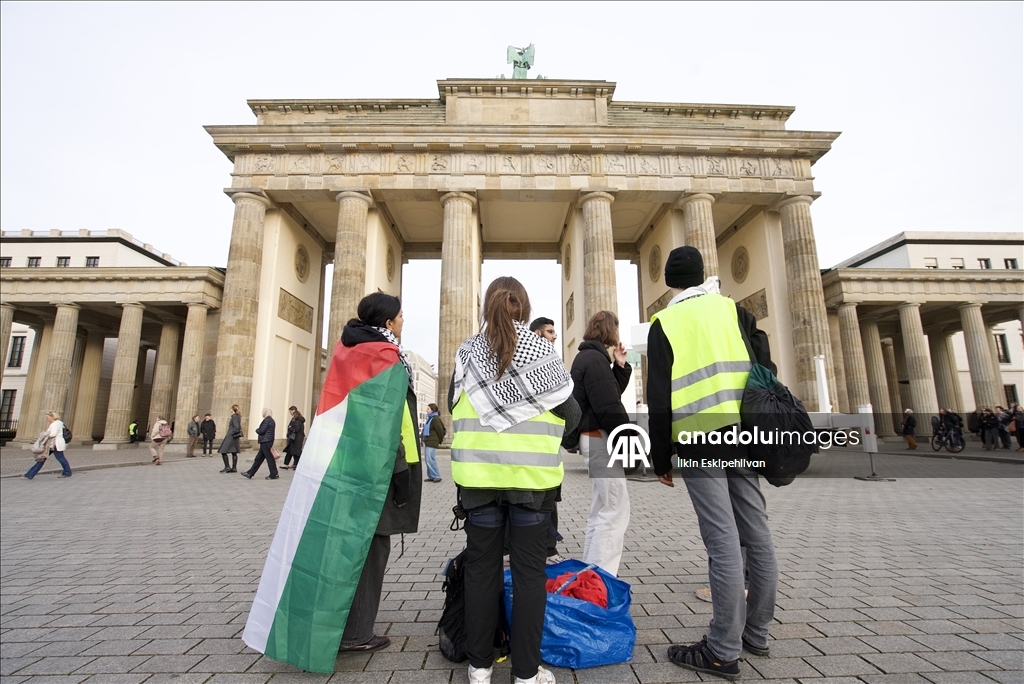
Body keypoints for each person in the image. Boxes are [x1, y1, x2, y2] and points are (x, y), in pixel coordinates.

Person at [648, 246, 777, 680]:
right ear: (703, 276)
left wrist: (660, 456)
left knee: (721, 540)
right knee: (756, 533)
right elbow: (765, 368)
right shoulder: (734, 310)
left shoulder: (665, 321)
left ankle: (723, 648)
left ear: (669, 281)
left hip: (699, 437)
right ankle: (756, 633)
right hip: (744, 433)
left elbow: (660, 397)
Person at [451, 276, 579, 684]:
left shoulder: (466, 355)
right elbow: (572, 418)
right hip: (531, 487)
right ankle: (525, 673)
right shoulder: (543, 354)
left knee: (481, 573)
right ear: (523, 308)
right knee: (528, 578)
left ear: (486, 306)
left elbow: (456, 405)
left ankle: (479, 667)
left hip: (477, 484)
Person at [336, 292, 423, 653]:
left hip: (351, 462)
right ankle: (356, 633)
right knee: (373, 550)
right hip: (382, 468)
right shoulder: (384, 356)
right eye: (401, 316)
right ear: (387, 323)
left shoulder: (351, 350)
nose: (403, 322)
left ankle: (342, 623)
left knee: (354, 544)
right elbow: (385, 423)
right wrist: (401, 475)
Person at [569, 310, 632, 577]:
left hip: (592, 438)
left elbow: (607, 394)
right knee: (613, 510)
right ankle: (601, 579)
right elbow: (609, 406)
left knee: (601, 509)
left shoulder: (588, 357)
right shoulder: (594, 359)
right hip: (600, 439)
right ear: (609, 329)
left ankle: (590, 571)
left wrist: (619, 366)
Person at [529, 316, 565, 563]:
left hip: (542, 450)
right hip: (538, 451)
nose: (555, 336)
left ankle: (540, 550)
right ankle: (546, 551)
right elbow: (569, 411)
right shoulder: (541, 361)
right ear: (537, 334)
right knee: (543, 505)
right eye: (550, 332)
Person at [24, 411, 72, 479]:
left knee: (57, 458)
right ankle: (30, 474)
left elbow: (53, 434)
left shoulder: (54, 424)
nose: (46, 419)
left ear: (52, 417)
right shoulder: (60, 423)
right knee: (43, 458)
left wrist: (44, 434)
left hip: (54, 444)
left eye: (47, 417)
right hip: (54, 444)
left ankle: (67, 472)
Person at [242, 408, 278, 480]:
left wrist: (257, 430)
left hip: (265, 441)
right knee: (259, 458)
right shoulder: (271, 420)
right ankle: (250, 473)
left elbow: (262, 431)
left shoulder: (266, 421)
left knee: (268, 458)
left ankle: (273, 474)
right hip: (268, 441)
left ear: (265, 413)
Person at [421, 403, 446, 482]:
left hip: (432, 442)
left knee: (430, 459)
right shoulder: (429, 418)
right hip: (428, 441)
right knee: (427, 460)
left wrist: (440, 440)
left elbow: (440, 430)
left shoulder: (435, 419)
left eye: (428, 409)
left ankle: (437, 475)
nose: (426, 410)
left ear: (432, 410)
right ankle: (431, 476)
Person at [218, 404, 242, 473]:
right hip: (235, 437)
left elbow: (236, 427)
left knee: (223, 451)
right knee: (234, 452)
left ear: (232, 409)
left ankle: (227, 466)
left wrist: (231, 433)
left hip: (231, 436)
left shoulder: (234, 416)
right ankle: (234, 468)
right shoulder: (238, 416)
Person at [281, 406, 306, 470]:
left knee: (296, 453)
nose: (290, 413)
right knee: (291, 451)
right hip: (294, 438)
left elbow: (296, 429)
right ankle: (288, 464)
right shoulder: (297, 420)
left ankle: (297, 464)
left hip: (296, 439)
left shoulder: (298, 421)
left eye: (290, 411)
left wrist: (290, 428)